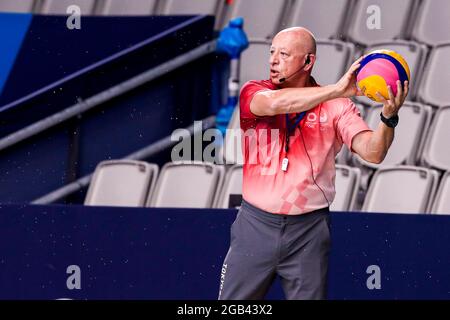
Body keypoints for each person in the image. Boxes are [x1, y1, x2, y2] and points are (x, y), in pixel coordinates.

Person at [218, 27, 409, 300]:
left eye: (283, 54)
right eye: (272, 52)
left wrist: (388, 119)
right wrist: (336, 90)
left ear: (308, 62)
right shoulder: (255, 91)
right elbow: (273, 105)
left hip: (309, 231)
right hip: (254, 225)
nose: (273, 60)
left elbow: (373, 153)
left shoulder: (339, 106)